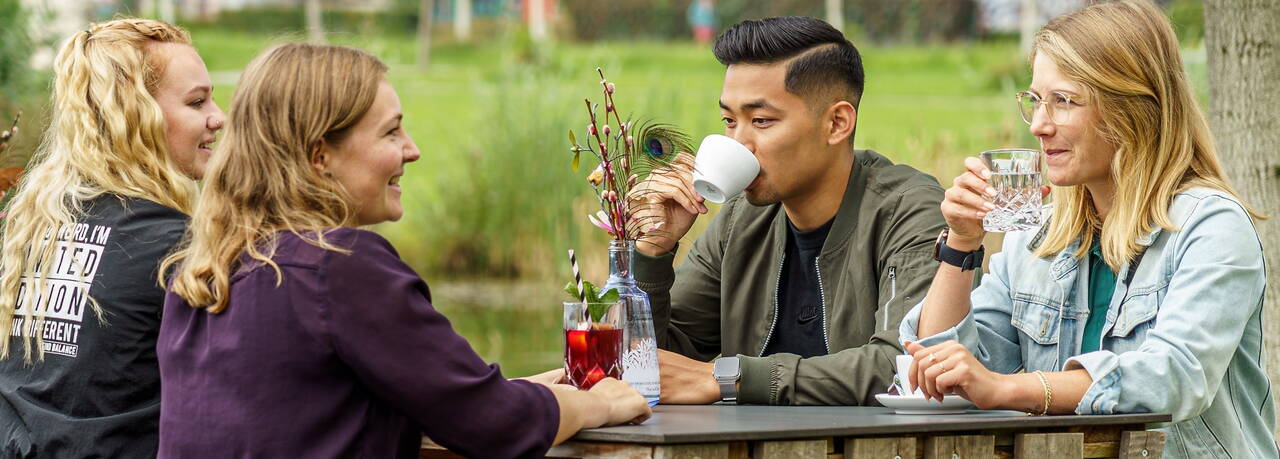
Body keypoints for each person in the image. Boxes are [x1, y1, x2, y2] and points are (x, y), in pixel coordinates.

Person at [157, 43, 650, 458]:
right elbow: (493, 423)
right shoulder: (338, 265)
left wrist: (520, 394)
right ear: (319, 156)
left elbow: (309, 414)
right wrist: (597, 404)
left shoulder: (204, 272)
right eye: (391, 131)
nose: (412, 149)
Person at [899, 1, 1277, 457]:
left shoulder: (1210, 226)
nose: (1039, 125)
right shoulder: (1038, 233)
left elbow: (1175, 376)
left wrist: (1004, 388)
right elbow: (943, 374)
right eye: (1035, 101)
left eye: (1064, 101)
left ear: (1132, 109)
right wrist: (962, 243)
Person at [631, 16, 947, 405]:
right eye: (729, 121)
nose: (738, 143)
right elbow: (653, 363)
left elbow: (901, 366)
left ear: (837, 123)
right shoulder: (739, 220)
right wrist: (652, 252)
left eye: (761, 121)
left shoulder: (911, 212)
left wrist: (732, 378)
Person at [0, 19, 225, 457]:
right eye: (197, 102)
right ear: (135, 115)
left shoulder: (36, 226)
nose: (219, 117)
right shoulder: (175, 245)